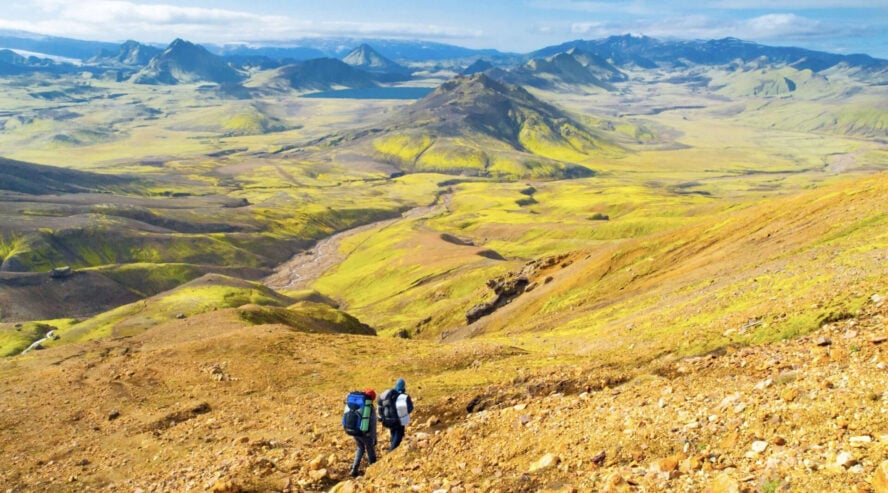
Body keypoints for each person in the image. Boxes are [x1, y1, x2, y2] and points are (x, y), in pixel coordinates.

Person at [378, 378, 414, 451]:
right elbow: (410, 408)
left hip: (387, 420)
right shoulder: (404, 396)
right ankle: (391, 452)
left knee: (393, 433)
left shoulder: (388, 395)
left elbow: (380, 405)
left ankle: (391, 448)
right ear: (403, 386)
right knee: (398, 436)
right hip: (398, 421)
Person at [349, 388, 377, 477]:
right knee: (370, 449)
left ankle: (354, 469)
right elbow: (372, 425)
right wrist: (374, 437)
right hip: (365, 432)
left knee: (360, 448)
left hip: (355, 430)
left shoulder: (357, 403)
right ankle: (373, 469)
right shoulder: (369, 408)